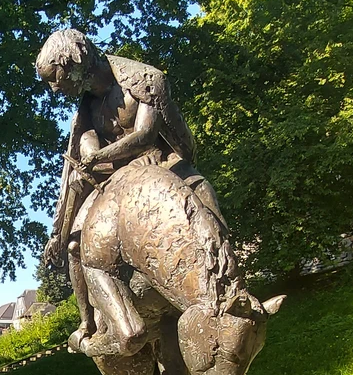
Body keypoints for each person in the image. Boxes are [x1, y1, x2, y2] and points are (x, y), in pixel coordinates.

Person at [36, 28, 227, 352]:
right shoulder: (87, 108)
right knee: (75, 246)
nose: (56, 89)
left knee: (202, 196)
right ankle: (89, 323)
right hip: (112, 178)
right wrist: (60, 231)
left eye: (57, 78)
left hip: (159, 160)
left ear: (76, 62)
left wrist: (99, 156)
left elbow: (146, 134)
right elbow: (74, 168)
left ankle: (227, 284)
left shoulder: (144, 80)